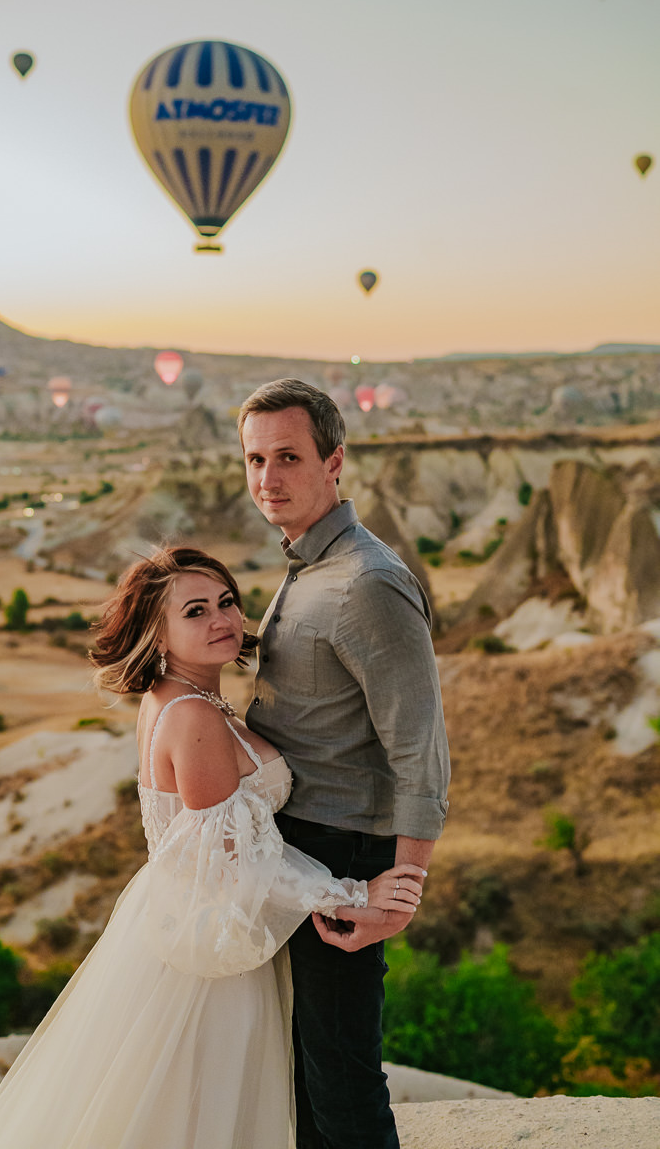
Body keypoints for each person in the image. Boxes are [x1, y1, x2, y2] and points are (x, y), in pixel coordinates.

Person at [0, 546, 426, 1149]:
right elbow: (236, 860)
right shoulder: (190, 715)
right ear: (158, 633)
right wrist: (352, 893)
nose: (221, 620)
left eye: (226, 601)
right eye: (196, 611)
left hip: (194, 920)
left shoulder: (188, 699)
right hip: (210, 950)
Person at [239, 379, 450, 1149]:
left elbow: (419, 749)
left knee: (341, 1073)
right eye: (256, 459)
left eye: (288, 457)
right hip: (300, 848)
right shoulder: (308, 569)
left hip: (343, 853)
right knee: (303, 1070)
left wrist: (401, 891)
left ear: (335, 461)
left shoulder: (368, 584)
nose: (268, 478)